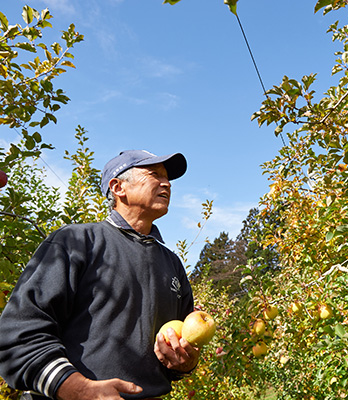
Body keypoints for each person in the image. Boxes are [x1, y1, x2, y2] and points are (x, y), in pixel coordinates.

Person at [0, 150, 200, 400]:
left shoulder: (172, 264)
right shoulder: (75, 242)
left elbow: (178, 350)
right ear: (118, 188)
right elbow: (17, 335)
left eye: (168, 178)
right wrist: (75, 388)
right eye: (154, 174)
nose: (166, 183)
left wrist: (186, 362)